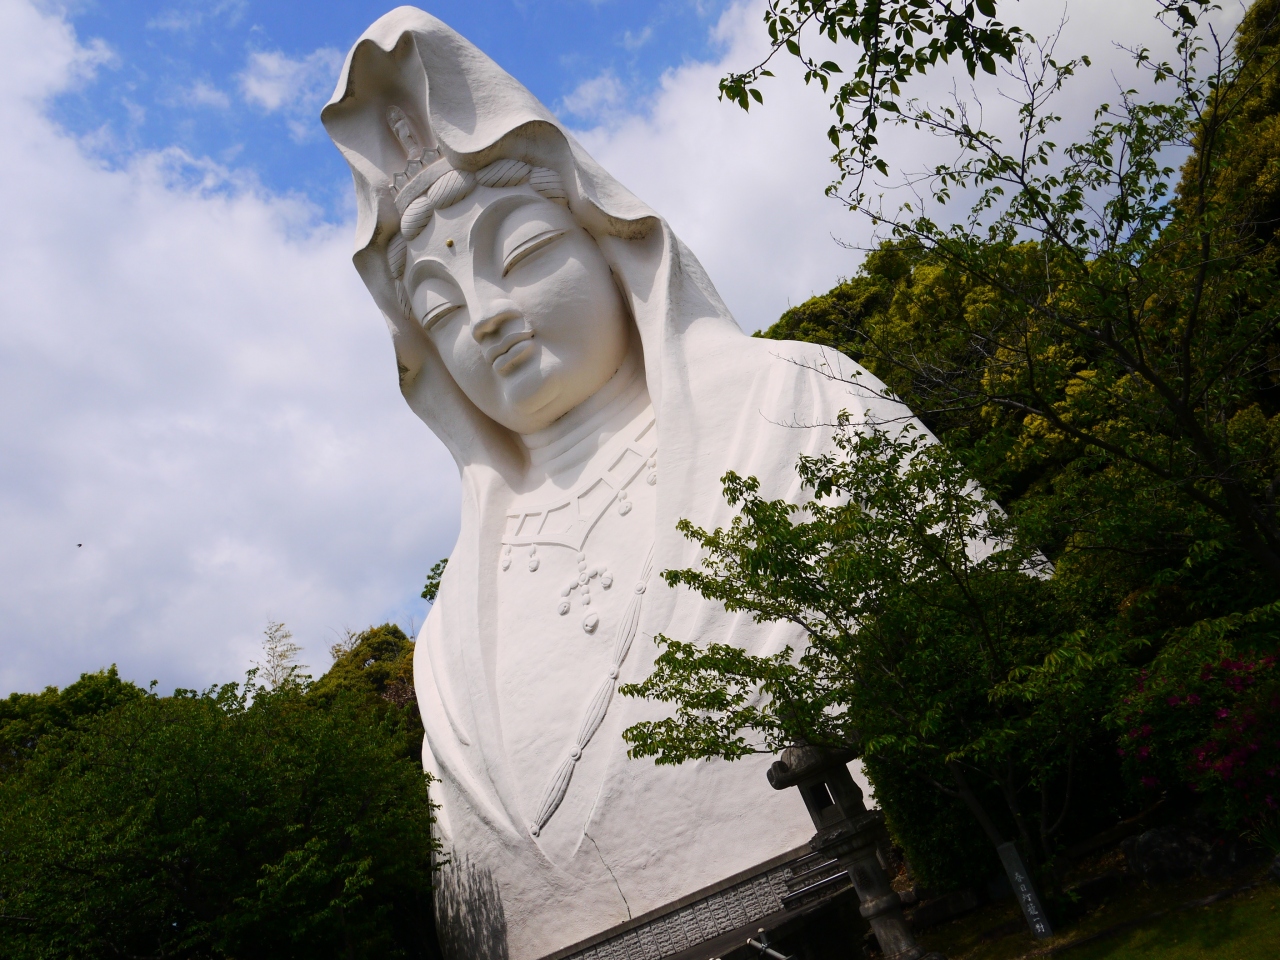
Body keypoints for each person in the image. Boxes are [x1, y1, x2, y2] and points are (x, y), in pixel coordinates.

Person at [322, 9, 914, 959]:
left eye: (521, 254)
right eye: (438, 307)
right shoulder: (447, 641)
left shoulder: (796, 399)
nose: (486, 316)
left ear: (609, 242)